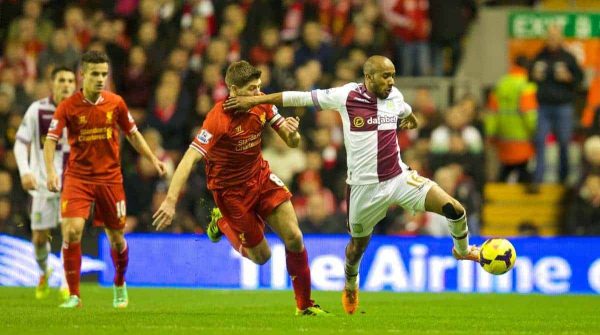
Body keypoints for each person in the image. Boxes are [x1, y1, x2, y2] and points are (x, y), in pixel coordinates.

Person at [223, 55, 480, 315]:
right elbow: (297, 97)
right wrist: (255, 100)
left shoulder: (395, 96)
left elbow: (405, 111)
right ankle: (350, 284)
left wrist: (410, 119)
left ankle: (463, 250)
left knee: (454, 208)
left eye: (392, 75)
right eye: (385, 76)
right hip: (363, 189)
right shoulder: (346, 96)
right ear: (368, 78)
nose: (391, 81)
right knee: (357, 248)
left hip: (399, 178)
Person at [152, 61, 329, 316]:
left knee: (294, 237)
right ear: (234, 90)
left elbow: (292, 142)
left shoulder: (262, 102)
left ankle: (305, 306)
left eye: (259, 87)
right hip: (231, 193)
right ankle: (222, 222)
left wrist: (293, 133)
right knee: (262, 257)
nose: (258, 93)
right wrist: (170, 201)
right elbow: (189, 158)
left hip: (261, 178)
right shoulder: (218, 118)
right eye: (252, 89)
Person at [43, 51, 166, 308]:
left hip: (110, 179)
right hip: (78, 178)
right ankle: (74, 293)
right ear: (83, 75)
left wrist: (152, 158)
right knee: (72, 230)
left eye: (104, 74)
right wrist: (52, 172)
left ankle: (120, 283)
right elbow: (51, 140)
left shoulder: (116, 103)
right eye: (95, 74)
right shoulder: (68, 106)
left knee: (117, 238)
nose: (100, 79)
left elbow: (133, 134)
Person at [13, 66, 76, 300]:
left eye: (71, 80)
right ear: (52, 83)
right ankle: (43, 271)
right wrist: (25, 172)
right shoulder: (37, 110)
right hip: (41, 185)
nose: (67, 84)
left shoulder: (81, 112)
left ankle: (68, 280)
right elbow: (21, 143)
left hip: (72, 183)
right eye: (62, 80)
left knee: (70, 231)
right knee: (39, 239)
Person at [530, 24, 583, 185]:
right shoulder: (540, 56)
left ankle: (563, 178)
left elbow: (579, 80)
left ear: (561, 39)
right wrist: (534, 75)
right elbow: (529, 76)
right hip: (543, 106)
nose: (552, 40)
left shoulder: (568, 57)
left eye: (555, 37)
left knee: (564, 142)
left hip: (563, 106)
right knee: (540, 141)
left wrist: (568, 78)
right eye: (550, 37)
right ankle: (538, 179)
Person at [486, 56, 538, 183]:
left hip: (503, 138)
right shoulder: (526, 86)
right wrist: (537, 133)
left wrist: (490, 134)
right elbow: (530, 115)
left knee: (506, 169)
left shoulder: (500, 84)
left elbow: (492, 113)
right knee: (523, 169)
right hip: (522, 138)